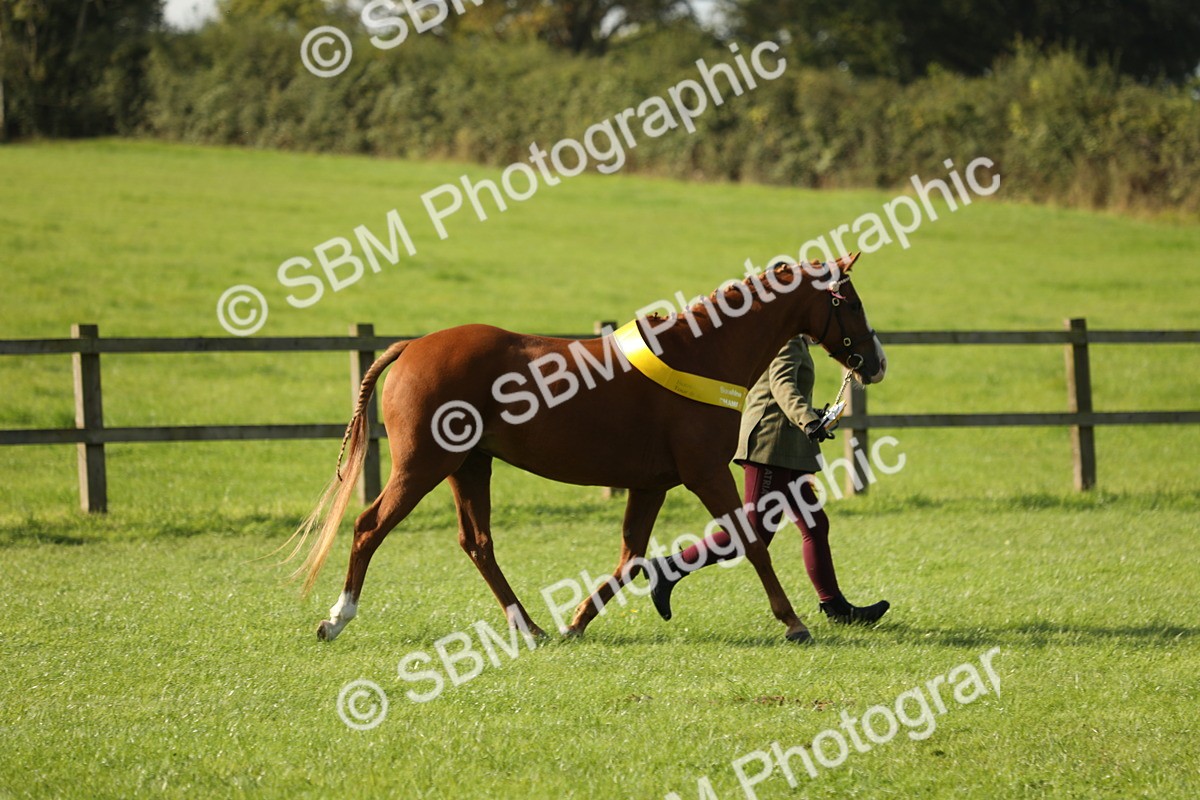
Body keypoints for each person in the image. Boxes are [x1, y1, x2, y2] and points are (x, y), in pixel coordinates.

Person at [644, 334, 889, 626]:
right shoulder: (786, 339)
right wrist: (808, 420)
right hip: (769, 444)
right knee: (755, 533)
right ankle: (670, 568)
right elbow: (782, 386)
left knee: (815, 524)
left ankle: (834, 605)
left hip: (788, 446)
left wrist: (813, 417)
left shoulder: (791, 337)